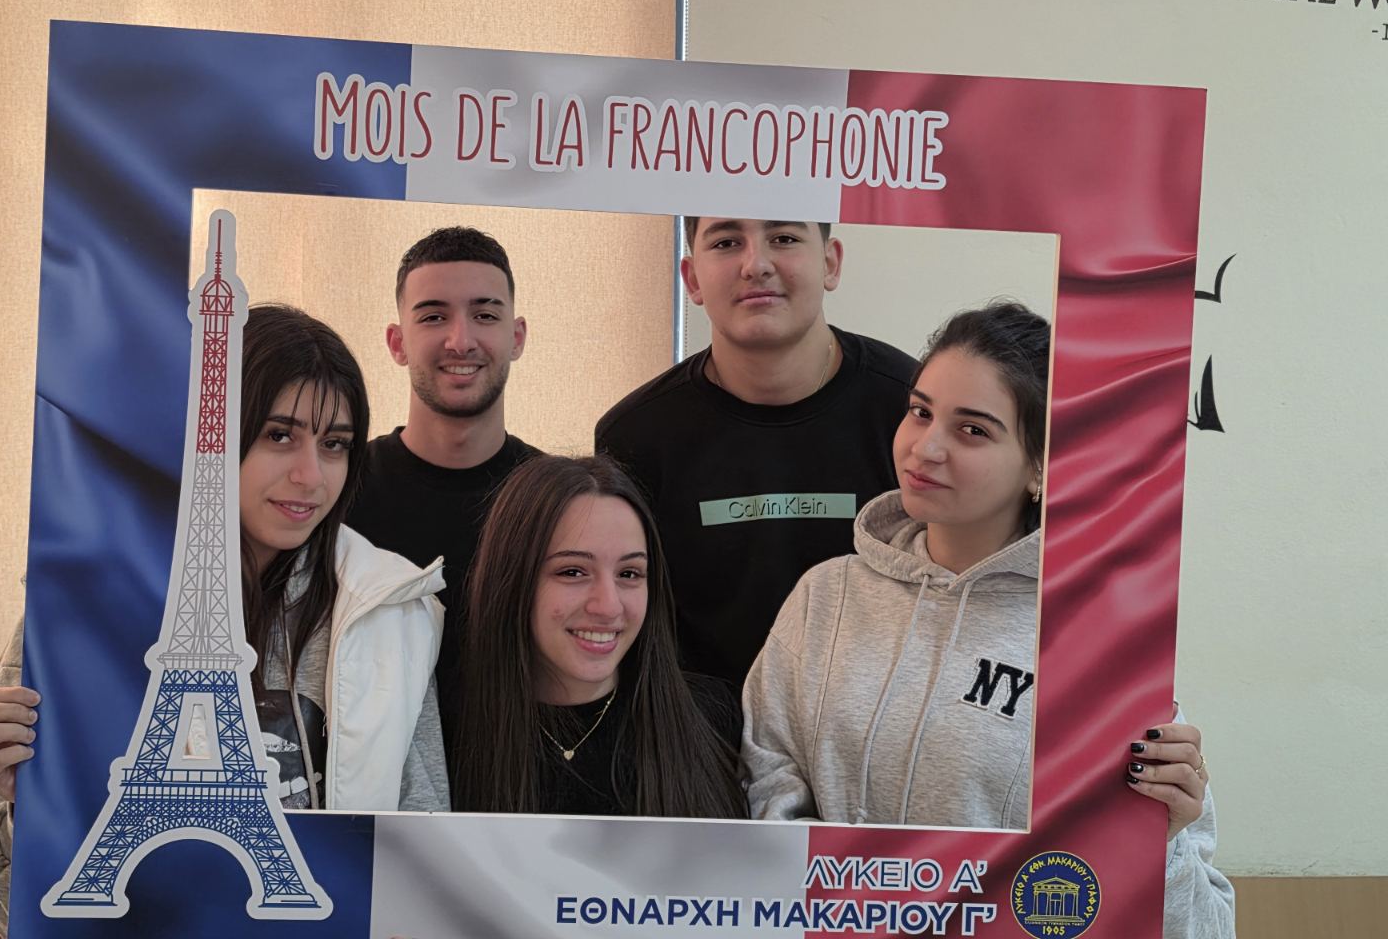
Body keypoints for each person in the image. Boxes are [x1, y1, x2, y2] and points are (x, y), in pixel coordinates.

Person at [741, 302, 1234, 935]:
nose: (926, 447)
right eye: (920, 412)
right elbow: (768, 776)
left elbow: (1206, 925)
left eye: (972, 430)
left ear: (1040, 465)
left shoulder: (1103, 637)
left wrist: (1159, 842)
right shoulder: (826, 596)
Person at [0, 305, 449, 938]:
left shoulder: (394, 608)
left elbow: (423, 860)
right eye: (279, 435)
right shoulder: (87, 598)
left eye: (334, 444)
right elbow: (2, 895)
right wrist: (29, 804)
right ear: (211, 436)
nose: (310, 475)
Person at [595, 217, 915, 690]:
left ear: (830, 263)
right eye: (727, 242)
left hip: (870, 725)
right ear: (692, 279)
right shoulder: (635, 435)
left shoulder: (913, 413)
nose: (755, 265)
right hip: (697, 727)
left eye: (783, 238)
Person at [454, 455, 745, 819]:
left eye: (629, 573)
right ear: (511, 579)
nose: (608, 606)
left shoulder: (714, 719)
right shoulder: (449, 730)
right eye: (573, 572)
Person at [347, 226, 538, 732]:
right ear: (397, 343)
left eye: (485, 315)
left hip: (521, 774)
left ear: (516, 337)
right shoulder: (340, 491)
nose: (461, 340)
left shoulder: (558, 499)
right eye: (433, 316)